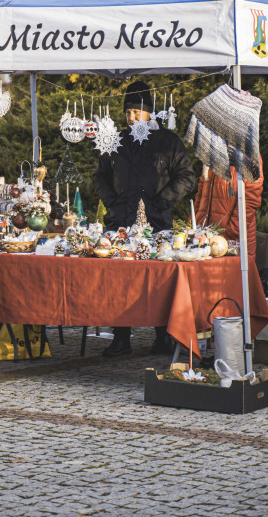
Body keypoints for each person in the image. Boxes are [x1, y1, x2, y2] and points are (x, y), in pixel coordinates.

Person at [94, 80, 197, 356]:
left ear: (149, 112)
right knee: (119, 281)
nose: (131, 117)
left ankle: (163, 336)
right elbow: (100, 176)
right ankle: (121, 336)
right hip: (120, 220)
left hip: (156, 221)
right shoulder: (117, 140)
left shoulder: (167, 142)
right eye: (128, 112)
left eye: (136, 112)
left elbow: (187, 177)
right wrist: (112, 201)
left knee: (159, 281)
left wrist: (162, 200)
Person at [193, 156, 264, 259]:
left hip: (232, 242)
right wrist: (195, 222)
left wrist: (231, 231)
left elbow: (251, 198)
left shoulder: (247, 151)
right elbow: (201, 191)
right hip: (207, 239)